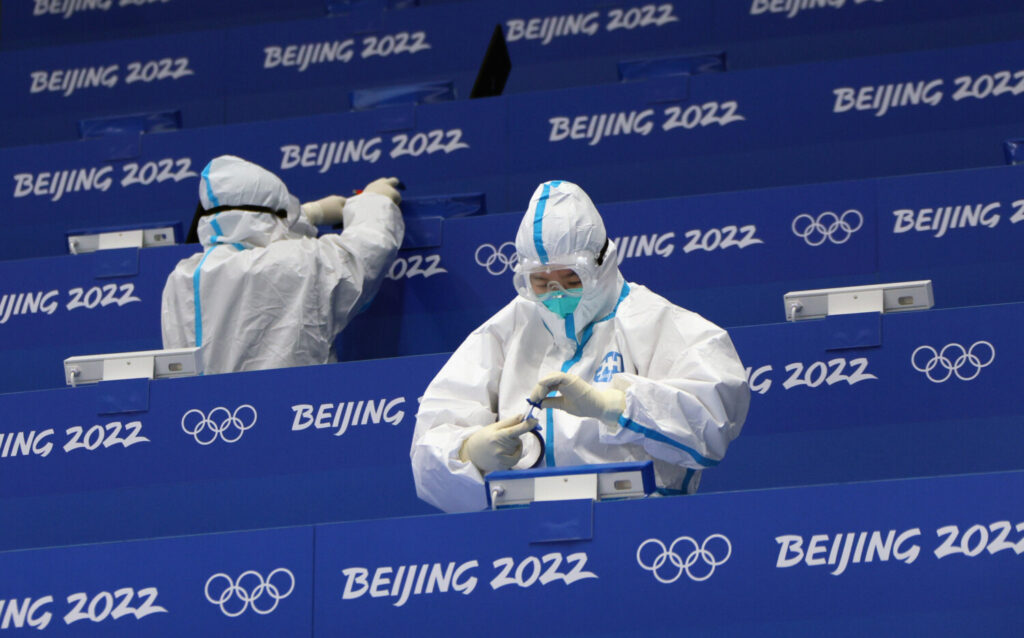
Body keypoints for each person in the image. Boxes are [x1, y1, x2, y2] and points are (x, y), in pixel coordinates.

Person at [411, 180, 749, 513]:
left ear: (602, 263)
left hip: (643, 526)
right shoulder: (505, 332)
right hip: (524, 535)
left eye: (571, 279)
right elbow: (430, 446)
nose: (556, 294)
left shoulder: (657, 323)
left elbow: (714, 418)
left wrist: (617, 405)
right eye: (541, 282)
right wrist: (469, 452)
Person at [161, 154, 404, 374]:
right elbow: (366, 250)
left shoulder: (184, 275)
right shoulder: (297, 260)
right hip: (292, 408)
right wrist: (373, 201)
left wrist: (311, 213)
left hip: (202, 413)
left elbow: (253, 229)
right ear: (275, 213)